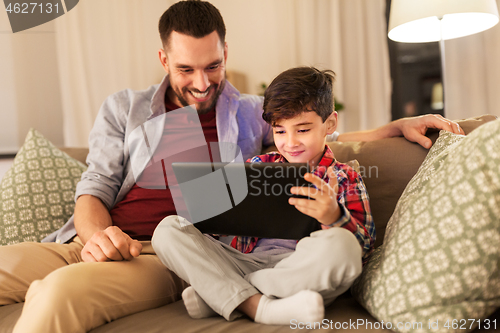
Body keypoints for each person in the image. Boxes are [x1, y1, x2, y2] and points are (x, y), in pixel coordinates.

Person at [0, 1, 463, 332]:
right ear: (164, 59)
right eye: (186, 69)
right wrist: (95, 236)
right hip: (89, 240)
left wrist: (395, 126)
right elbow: (95, 185)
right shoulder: (125, 108)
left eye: (213, 66)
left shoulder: (248, 114)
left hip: (154, 256)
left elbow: (315, 138)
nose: (202, 83)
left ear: (226, 54)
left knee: (58, 295)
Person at [152, 66, 374, 325]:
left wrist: (334, 216)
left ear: (330, 124)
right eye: (280, 131)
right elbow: (217, 230)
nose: (290, 142)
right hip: (243, 261)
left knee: (343, 246)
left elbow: (364, 247)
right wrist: (210, 214)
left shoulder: (346, 177)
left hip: (300, 266)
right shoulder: (256, 165)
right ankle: (258, 304)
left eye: (302, 130)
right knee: (167, 230)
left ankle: (227, 294)